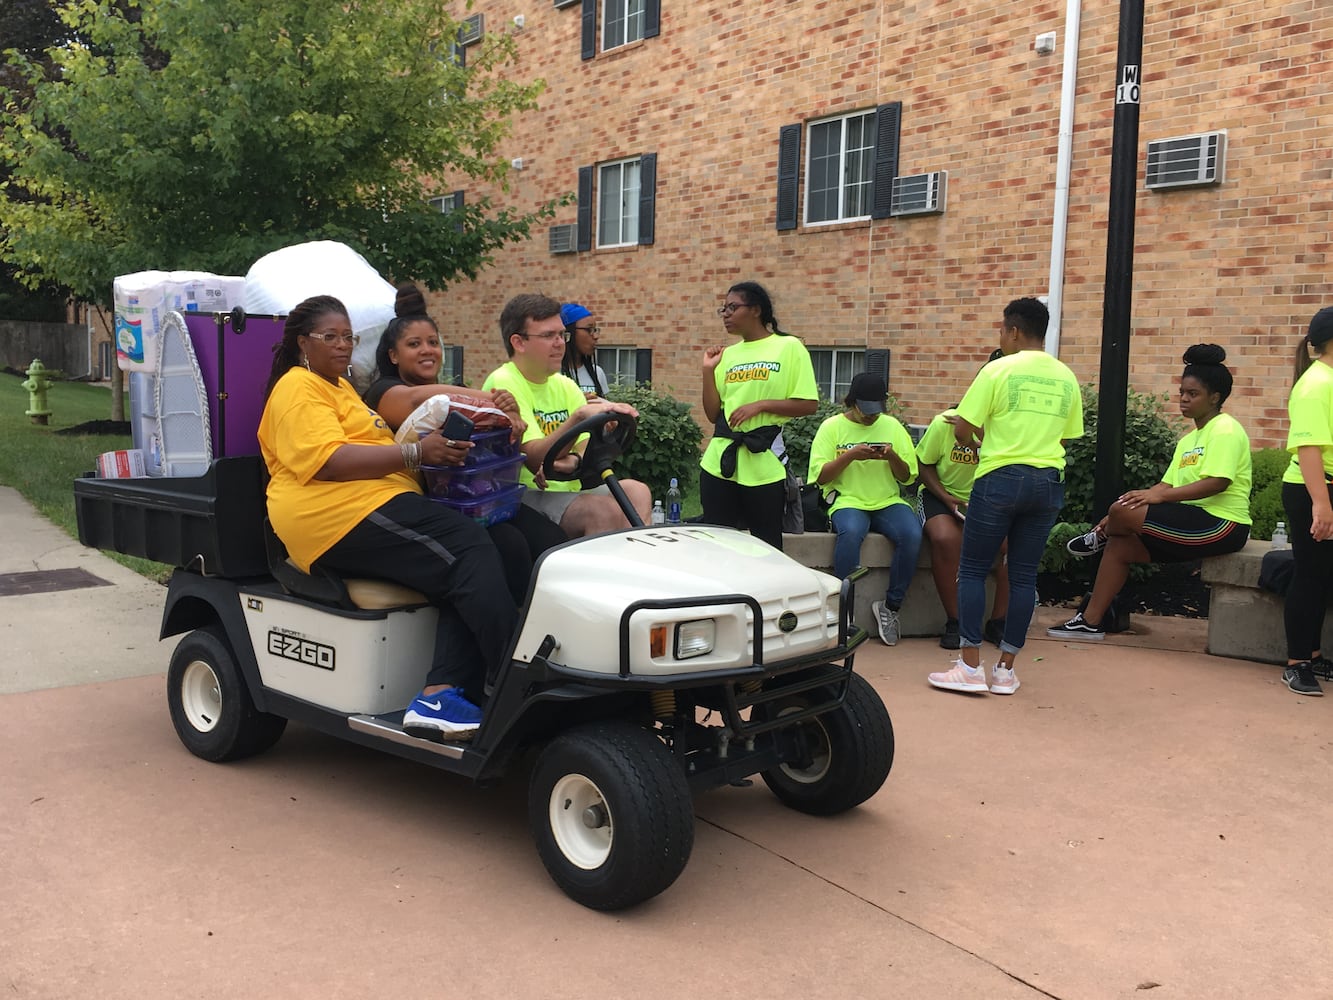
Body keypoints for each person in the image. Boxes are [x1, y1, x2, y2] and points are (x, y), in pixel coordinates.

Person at [258, 294, 516, 741]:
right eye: (330, 337)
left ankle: (445, 694)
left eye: (348, 337)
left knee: (503, 544)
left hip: (375, 502)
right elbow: (329, 461)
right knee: (467, 549)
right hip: (333, 513)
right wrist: (417, 451)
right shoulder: (299, 387)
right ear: (304, 343)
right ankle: (514, 689)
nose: (342, 346)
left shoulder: (341, 388)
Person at [364, 283, 568, 602]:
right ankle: (516, 632)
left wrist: (511, 431)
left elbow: (494, 442)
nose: (427, 350)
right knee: (510, 546)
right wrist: (495, 400)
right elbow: (426, 399)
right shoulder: (384, 392)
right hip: (428, 505)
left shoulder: (455, 390)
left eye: (433, 342)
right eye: (413, 344)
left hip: (479, 497)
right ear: (393, 354)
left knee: (552, 540)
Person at [927, 297, 1083, 697]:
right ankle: (1006, 671)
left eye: (1002, 329)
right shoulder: (1066, 377)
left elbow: (962, 429)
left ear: (1013, 331)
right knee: (1023, 575)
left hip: (999, 479)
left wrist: (987, 439)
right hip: (1047, 481)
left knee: (975, 569)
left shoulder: (998, 369)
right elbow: (1066, 437)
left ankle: (969, 666)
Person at [1049, 344, 1252, 642]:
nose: (1183, 399)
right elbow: (1164, 486)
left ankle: (1101, 533)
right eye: (1182, 392)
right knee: (1120, 538)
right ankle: (1090, 622)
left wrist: (1155, 499)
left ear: (1215, 397)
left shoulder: (1226, 429)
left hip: (1223, 524)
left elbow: (1217, 482)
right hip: (1196, 519)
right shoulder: (1189, 440)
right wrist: (1139, 498)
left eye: (1192, 394)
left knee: (1122, 512)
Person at [482, 293, 651, 537]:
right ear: (519, 343)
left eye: (562, 335)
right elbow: (535, 458)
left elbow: (583, 449)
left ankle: (632, 565)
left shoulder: (565, 385)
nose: (560, 343)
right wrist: (578, 417)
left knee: (637, 491)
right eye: (548, 336)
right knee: (600, 511)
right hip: (522, 495)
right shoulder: (503, 383)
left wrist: (572, 461)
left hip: (567, 491)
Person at [700, 281, 819, 551]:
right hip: (720, 460)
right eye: (723, 309)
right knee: (717, 543)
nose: (726, 314)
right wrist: (708, 371)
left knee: (767, 545)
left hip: (764, 461)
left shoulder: (788, 347)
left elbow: (808, 405)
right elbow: (711, 414)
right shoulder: (727, 355)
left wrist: (761, 405)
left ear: (755, 310)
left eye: (733, 307)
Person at [808, 372, 921, 645]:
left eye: (876, 411)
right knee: (851, 533)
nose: (871, 417)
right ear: (852, 403)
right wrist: (850, 456)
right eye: (866, 410)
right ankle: (843, 612)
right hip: (847, 500)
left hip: (886, 500)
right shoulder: (832, 427)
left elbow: (908, 478)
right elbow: (820, 478)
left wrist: (891, 455)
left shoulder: (892, 426)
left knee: (913, 534)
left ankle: (890, 607)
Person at [915, 366, 1012, 650]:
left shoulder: (1007, 428)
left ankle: (998, 622)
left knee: (1013, 546)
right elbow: (924, 464)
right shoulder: (944, 423)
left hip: (987, 499)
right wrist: (945, 497)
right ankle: (955, 622)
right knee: (946, 539)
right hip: (942, 495)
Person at [1278, 307, 1333, 696]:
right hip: (1312, 489)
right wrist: (1322, 503)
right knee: (1311, 576)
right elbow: (1309, 446)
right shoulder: (1316, 384)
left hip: (1324, 489)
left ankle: (1312, 654)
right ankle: (1297, 663)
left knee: (1323, 577)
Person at [559, 302, 610, 399]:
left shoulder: (597, 372)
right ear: (568, 332)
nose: (596, 336)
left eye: (595, 330)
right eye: (589, 329)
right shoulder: (549, 374)